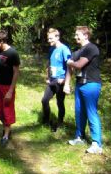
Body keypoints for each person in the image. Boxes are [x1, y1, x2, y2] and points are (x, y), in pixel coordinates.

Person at [67, 26, 103, 154]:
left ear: (86, 35)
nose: (75, 37)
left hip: (91, 84)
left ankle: (96, 143)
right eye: (75, 34)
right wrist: (67, 83)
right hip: (80, 84)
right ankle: (79, 137)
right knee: (79, 111)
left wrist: (70, 62)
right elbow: (70, 68)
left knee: (91, 112)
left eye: (78, 35)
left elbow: (78, 65)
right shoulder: (78, 50)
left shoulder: (91, 48)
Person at [0, 30, 20, 147]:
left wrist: (11, 91)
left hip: (7, 87)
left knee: (7, 110)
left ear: (2, 41)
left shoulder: (13, 53)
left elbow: (16, 72)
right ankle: (6, 129)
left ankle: (6, 135)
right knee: (0, 110)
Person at [41, 28, 71, 131]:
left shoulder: (64, 49)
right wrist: (47, 77)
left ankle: (60, 123)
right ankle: (46, 121)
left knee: (60, 102)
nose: (49, 41)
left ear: (57, 37)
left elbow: (69, 67)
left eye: (51, 38)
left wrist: (65, 81)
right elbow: (49, 64)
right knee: (44, 100)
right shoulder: (51, 49)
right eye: (48, 39)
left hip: (60, 81)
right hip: (52, 80)